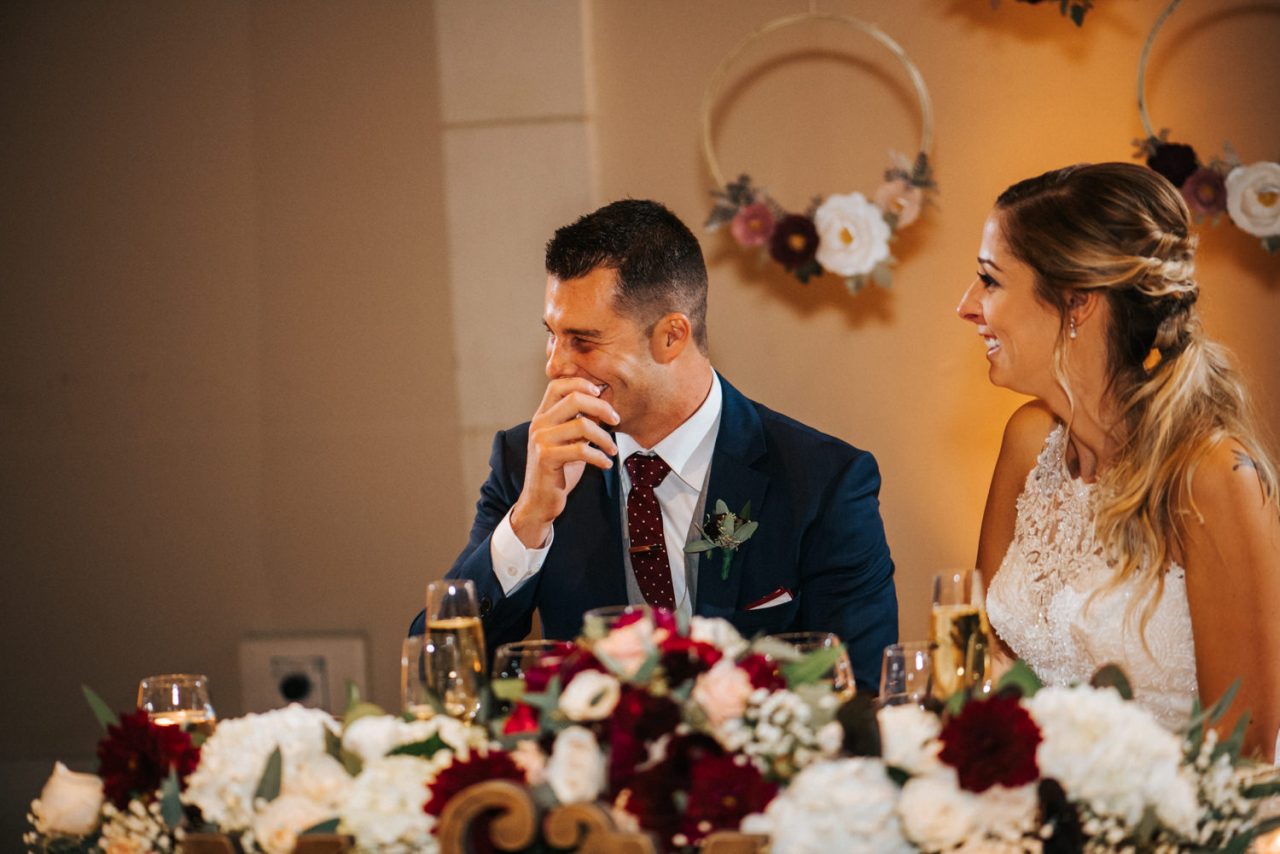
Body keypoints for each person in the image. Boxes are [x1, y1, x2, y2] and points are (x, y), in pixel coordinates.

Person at [432, 199, 897, 691]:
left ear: (671, 336)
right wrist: (528, 520)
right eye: (552, 335)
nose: (555, 366)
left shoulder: (823, 484)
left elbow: (863, 691)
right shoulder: (527, 461)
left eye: (582, 341)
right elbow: (440, 674)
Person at [957, 162, 1280, 759]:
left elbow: (1243, 751)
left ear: (1076, 303)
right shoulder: (1029, 441)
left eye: (990, 280)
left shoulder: (1213, 477)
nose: (968, 306)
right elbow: (980, 659)